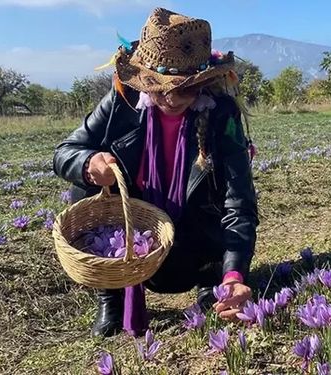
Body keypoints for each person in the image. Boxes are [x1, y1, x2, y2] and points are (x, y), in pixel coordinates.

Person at [53, 8, 259, 338]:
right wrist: (88, 165)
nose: (171, 98)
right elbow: (65, 152)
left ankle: (212, 281)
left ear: (204, 81)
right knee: (83, 187)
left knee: (215, 253)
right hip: (133, 236)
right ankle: (112, 295)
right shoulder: (122, 101)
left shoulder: (221, 115)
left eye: (185, 88)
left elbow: (240, 204)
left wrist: (234, 274)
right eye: (159, 86)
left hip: (194, 237)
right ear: (144, 77)